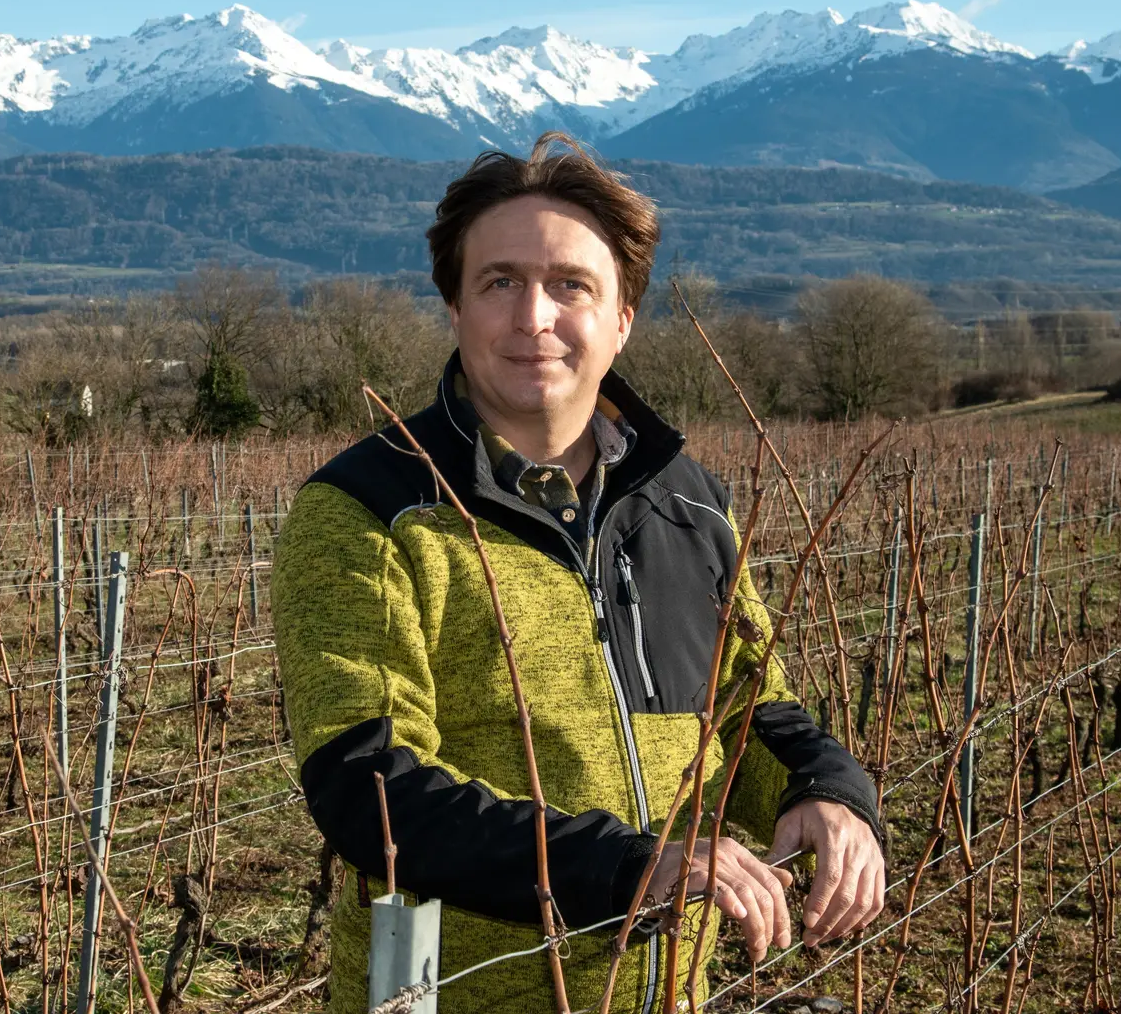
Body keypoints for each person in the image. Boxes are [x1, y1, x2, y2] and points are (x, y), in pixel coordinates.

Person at [271, 132, 886, 1012]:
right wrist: (628, 868)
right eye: (500, 282)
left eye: (571, 285)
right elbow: (368, 783)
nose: (533, 319)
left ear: (623, 317)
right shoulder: (370, 511)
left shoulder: (688, 503)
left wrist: (826, 791)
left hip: (671, 990)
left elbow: (751, 703)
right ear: (454, 308)